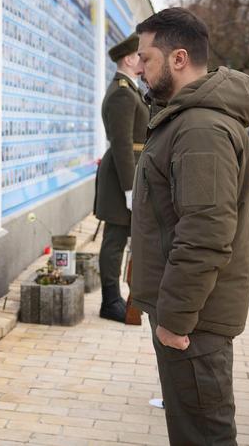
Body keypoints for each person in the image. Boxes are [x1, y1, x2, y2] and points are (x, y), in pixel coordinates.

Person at [131, 8, 249, 444]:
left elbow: (206, 234)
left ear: (179, 58)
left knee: (204, 435)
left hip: (194, 322)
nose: (139, 67)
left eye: (146, 58)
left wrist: (176, 319)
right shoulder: (186, 118)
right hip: (190, 314)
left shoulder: (201, 127)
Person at [93, 34, 150, 322]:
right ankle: (110, 301)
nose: (143, 60)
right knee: (114, 242)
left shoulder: (131, 91)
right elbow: (123, 145)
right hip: (120, 178)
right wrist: (129, 189)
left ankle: (120, 297)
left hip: (128, 175)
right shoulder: (121, 94)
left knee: (121, 241)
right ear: (128, 59)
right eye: (140, 56)